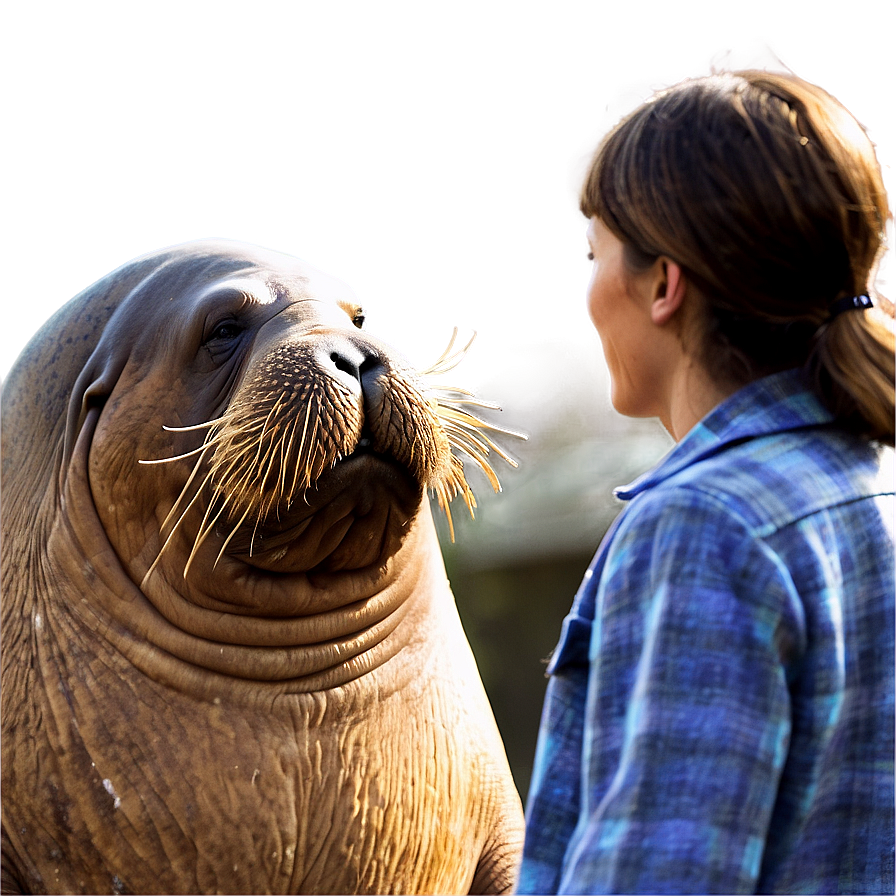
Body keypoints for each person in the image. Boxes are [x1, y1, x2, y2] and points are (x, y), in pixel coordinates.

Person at [516, 71, 895, 895]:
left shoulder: (704, 527)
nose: (588, 293)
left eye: (596, 255)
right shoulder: (878, 488)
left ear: (663, 284)